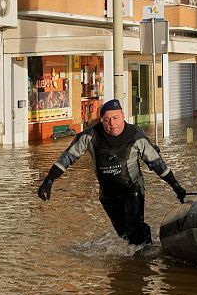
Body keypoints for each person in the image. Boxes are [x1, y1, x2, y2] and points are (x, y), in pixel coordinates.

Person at [36, 99, 186, 245]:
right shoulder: (89, 136)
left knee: (134, 227)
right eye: (107, 120)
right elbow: (67, 157)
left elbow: (157, 164)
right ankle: (142, 250)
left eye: (116, 118)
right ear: (101, 120)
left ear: (123, 117)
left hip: (132, 188)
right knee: (124, 234)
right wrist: (48, 181)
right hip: (108, 193)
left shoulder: (136, 136)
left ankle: (143, 260)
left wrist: (176, 187)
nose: (112, 123)